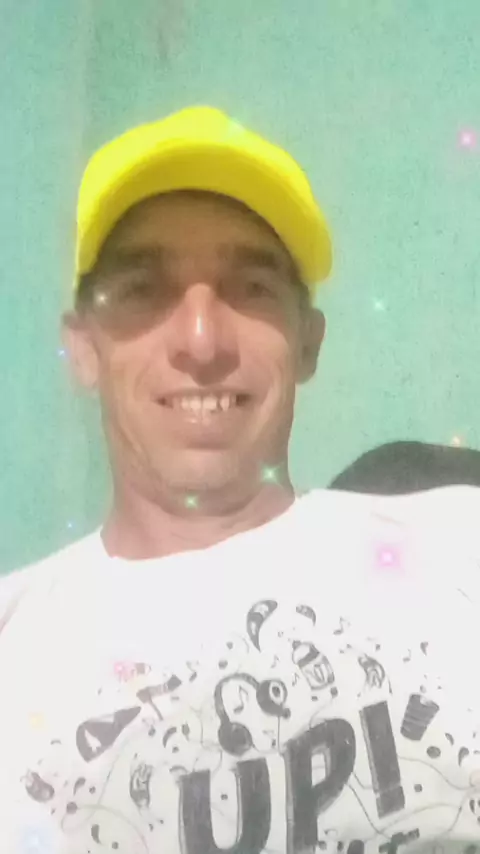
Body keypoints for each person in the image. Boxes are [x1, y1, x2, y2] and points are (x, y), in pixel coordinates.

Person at [1, 105, 480, 854]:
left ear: (308, 343)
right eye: (144, 289)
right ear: (84, 347)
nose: (201, 341)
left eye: (251, 288)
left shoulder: (459, 551)